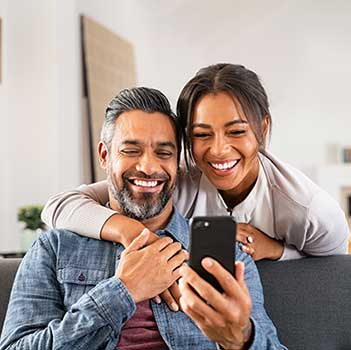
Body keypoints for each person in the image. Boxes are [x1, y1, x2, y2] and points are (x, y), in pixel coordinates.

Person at [0, 87, 285, 349]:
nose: (148, 167)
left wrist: (243, 338)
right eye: (131, 150)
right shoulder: (54, 248)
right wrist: (123, 291)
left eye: (164, 153)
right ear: (104, 155)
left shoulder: (230, 258)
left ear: (178, 162)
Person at [42, 63, 350, 262]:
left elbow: (333, 271)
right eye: (202, 134)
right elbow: (59, 206)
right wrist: (130, 230)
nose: (218, 150)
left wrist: (276, 250)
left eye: (236, 131)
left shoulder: (307, 208)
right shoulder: (178, 180)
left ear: (263, 128)